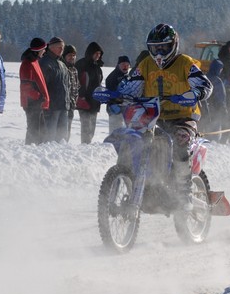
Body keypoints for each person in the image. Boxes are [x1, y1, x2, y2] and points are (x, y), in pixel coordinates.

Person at [116, 23, 212, 209]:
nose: (159, 52)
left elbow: (205, 85)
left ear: (173, 45)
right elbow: (132, 85)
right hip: (153, 117)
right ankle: (128, 182)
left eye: (164, 47)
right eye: (154, 48)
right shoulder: (146, 65)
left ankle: (184, 194)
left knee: (181, 142)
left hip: (183, 118)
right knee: (132, 141)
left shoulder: (185, 63)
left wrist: (195, 93)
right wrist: (117, 94)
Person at [40, 36, 72, 143]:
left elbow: (67, 86)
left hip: (64, 106)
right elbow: (41, 86)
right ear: (51, 48)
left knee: (62, 137)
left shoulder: (62, 65)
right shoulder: (45, 63)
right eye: (59, 47)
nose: (62, 49)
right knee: (50, 137)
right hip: (51, 107)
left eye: (62, 47)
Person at [19, 38, 50, 145]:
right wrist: (39, 96)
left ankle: (36, 154)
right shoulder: (27, 64)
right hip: (32, 103)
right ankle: (30, 153)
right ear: (38, 50)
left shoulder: (34, 61)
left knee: (42, 132)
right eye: (43, 49)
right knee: (34, 131)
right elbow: (26, 87)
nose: (45, 51)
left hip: (37, 102)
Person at [75, 41, 105, 143]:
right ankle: (85, 146)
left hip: (95, 102)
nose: (98, 55)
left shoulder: (98, 68)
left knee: (92, 128)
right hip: (84, 100)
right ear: (90, 53)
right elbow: (76, 82)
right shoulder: (81, 64)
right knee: (86, 127)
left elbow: (99, 83)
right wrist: (81, 96)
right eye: (96, 53)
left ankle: (87, 145)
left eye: (99, 54)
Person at [104, 55, 132, 132]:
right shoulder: (113, 77)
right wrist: (114, 106)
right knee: (115, 132)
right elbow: (110, 95)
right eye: (123, 65)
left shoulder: (127, 76)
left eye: (127, 65)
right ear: (118, 65)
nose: (125, 67)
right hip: (115, 109)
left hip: (126, 108)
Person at [61, 44, 80, 141]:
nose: (72, 57)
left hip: (72, 104)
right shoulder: (62, 68)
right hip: (62, 105)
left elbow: (77, 87)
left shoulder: (74, 70)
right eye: (69, 55)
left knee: (68, 130)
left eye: (74, 55)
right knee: (61, 131)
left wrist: (75, 100)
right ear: (64, 56)